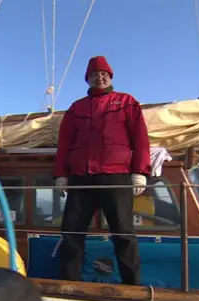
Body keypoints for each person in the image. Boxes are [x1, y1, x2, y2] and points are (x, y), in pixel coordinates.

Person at [53, 56, 151, 285]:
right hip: (81, 177)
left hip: (115, 176)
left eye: (104, 74)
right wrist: (60, 175)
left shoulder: (127, 102)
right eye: (94, 74)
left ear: (110, 76)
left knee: (124, 233)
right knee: (72, 233)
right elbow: (65, 143)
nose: (100, 77)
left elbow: (141, 139)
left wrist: (140, 171)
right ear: (87, 79)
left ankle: (132, 287)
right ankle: (68, 285)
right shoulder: (76, 109)